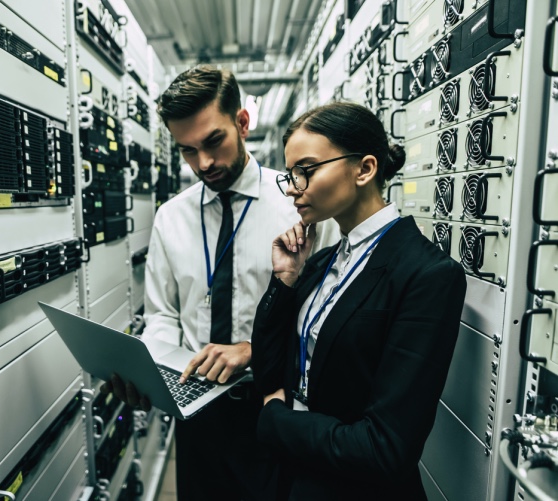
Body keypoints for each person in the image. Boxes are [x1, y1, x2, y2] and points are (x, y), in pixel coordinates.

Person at [101, 65, 338, 501]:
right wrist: (147, 374)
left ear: (242, 123)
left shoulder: (297, 204)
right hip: (197, 418)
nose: (203, 163)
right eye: (187, 151)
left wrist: (255, 351)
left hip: (276, 408)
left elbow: (327, 314)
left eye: (213, 142)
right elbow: (163, 315)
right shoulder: (170, 217)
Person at [251, 101, 467, 500]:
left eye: (307, 171)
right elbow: (268, 370)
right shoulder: (319, 262)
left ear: (365, 169)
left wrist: (276, 419)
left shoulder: (428, 276)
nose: (295, 188)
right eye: (290, 175)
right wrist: (284, 281)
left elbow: (385, 448)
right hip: (294, 477)